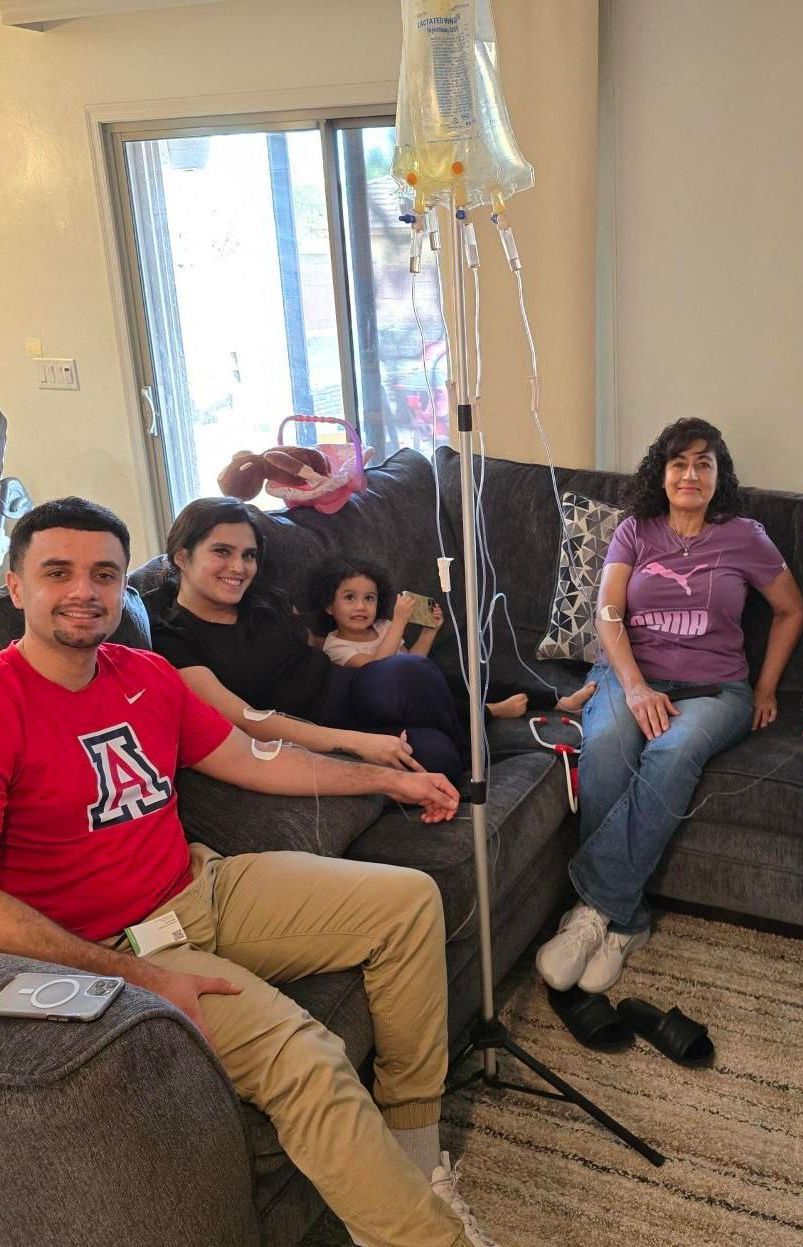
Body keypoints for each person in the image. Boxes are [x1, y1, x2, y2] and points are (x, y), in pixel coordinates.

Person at [0, 496, 497, 1247]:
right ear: (15, 586)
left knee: (407, 900)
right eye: (57, 572)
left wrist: (387, 779)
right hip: (123, 946)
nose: (84, 591)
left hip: (199, 888)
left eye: (105, 573)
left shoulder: (146, 673)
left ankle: (413, 1161)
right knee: (308, 1058)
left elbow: (251, 759)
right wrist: (130, 978)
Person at [536, 418, 803, 994]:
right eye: (679, 463)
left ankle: (589, 909)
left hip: (717, 689)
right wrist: (632, 686)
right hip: (630, 675)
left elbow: (791, 610)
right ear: (661, 473)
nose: (690, 474)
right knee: (607, 745)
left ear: (718, 475)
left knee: (673, 751)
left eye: (703, 464)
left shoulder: (745, 536)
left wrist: (765, 688)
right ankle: (624, 920)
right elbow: (608, 613)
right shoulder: (635, 530)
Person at [145, 498, 468, 786]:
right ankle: (469, 739)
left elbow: (311, 642)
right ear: (182, 557)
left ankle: (473, 751)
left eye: (249, 555)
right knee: (436, 756)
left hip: (350, 687)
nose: (239, 567)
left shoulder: (261, 598)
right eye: (221, 551)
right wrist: (355, 742)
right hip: (311, 729)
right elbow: (244, 720)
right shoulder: (170, 636)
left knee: (409, 671)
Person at [311, 555, 596, 718]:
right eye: (350, 598)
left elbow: (413, 661)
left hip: (422, 681)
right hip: (400, 702)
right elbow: (378, 669)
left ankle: (560, 701)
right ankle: (491, 713)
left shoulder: (384, 626)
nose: (361, 606)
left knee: (478, 681)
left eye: (369, 598)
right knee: (445, 706)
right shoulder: (337, 646)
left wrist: (429, 631)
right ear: (328, 605)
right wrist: (400, 621)